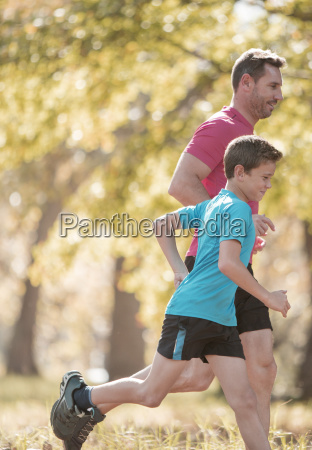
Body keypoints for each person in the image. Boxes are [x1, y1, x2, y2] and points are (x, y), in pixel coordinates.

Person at [51, 48, 287, 448]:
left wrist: (240, 229)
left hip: (233, 263)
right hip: (217, 266)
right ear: (245, 83)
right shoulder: (220, 128)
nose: (279, 95)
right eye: (272, 85)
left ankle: (87, 401)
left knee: (248, 369)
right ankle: (83, 399)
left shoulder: (247, 139)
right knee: (183, 383)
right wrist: (228, 225)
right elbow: (180, 184)